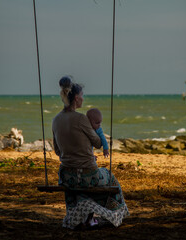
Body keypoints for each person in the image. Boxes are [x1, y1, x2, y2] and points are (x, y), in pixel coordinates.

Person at [52, 75, 129, 229]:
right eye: (82, 95)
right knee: (109, 177)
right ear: (76, 98)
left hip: (66, 176)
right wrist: (98, 130)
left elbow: (57, 150)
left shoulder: (56, 119)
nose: (83, 98)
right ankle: (116, 215)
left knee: (79, 188)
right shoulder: (81, 119)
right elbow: (98, 143)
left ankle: (83, 218)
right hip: (87, 175)